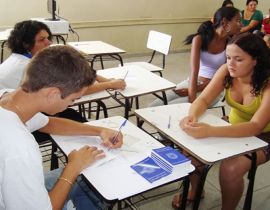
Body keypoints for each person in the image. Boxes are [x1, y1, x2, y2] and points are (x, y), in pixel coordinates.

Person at [0, 45, 123, 209]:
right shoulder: (20, 148)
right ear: (53, 94)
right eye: (72, 100)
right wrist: (73, 167)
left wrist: (99, 130)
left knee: (90, 180)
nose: (71, 104)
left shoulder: (10, 98)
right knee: (91, 179)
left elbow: (49, 123)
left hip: (13, 186)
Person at [176, 33, 270, 210]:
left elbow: (256, 126)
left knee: (230, 169)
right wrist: (192, 116)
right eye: (228, 57)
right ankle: (196, 191)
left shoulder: (267, 83)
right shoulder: (227, 71)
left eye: (238, 59)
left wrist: (210, 131)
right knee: (189, 150)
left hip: (264, 135)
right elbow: (203, 100)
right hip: (232, 124)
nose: (230, 64)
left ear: (256, 60)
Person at [150, 7, 241, 107]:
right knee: (154, 106)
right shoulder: (199, 39)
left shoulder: (231, 45)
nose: (241, 25)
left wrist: (192, 96)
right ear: (224, 22)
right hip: (192, 82)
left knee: (170, 108)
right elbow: (194, 71)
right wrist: (191, 92)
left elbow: (225, 78)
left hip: (214, 89)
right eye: (238, 20)